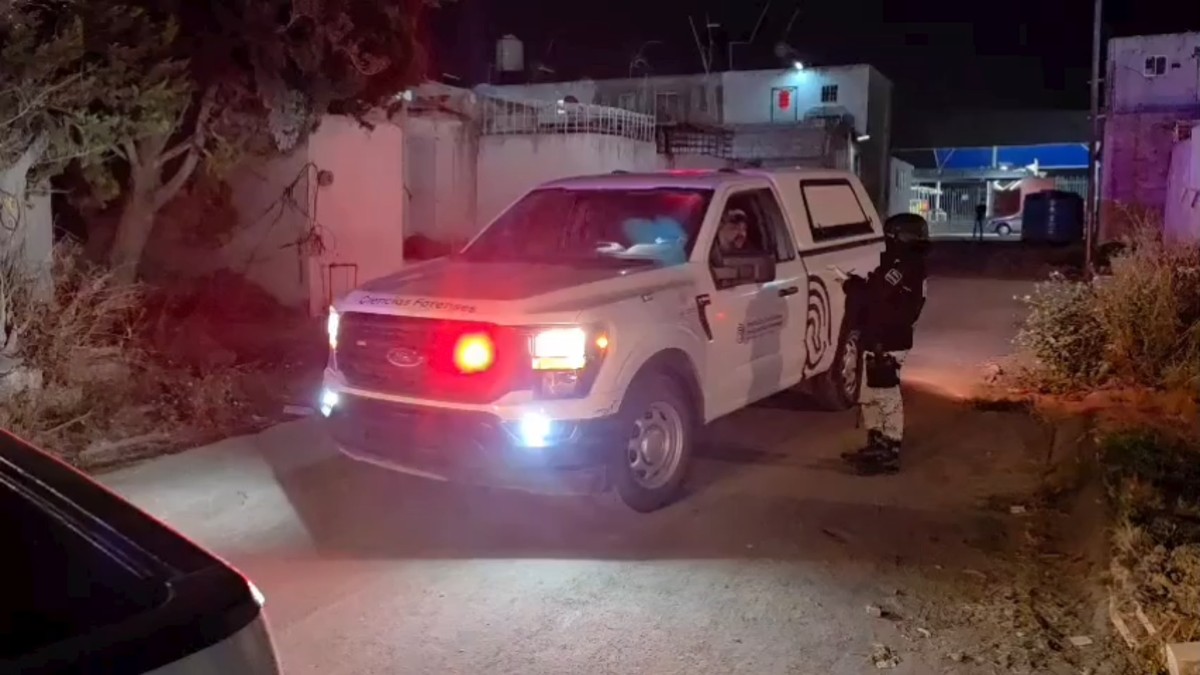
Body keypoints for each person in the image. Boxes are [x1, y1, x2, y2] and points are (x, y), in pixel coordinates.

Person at [839, 212, 930, 476]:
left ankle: (889, 449)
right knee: (870, 395)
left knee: (886, 395)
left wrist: (854, 288)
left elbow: (880, 296)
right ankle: (876, 443)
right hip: (879, 338)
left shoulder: (905, 265)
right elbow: (877, 291)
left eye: (891, 235)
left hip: (889, 339)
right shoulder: (903, 263)